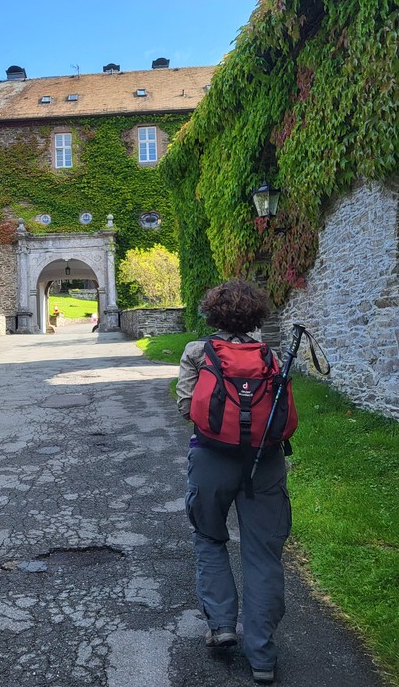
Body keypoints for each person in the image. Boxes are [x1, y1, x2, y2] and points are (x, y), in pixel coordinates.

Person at [176, 280, 289, 685]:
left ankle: (222, 625)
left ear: (213, 313)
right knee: (262, 553)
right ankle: (262, 657)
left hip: (211, 459)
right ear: (257, 316)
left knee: (209, 537)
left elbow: (186, 407)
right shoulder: (271, 356)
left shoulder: (197, 352)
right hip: (266, 464)